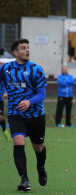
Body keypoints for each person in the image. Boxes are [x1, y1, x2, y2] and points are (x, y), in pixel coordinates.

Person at [0, 38, 48, 191]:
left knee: (38, 147)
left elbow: (42, 95)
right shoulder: (5, 69)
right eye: (23, 48)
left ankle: (40, 167)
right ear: (15, 52)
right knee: (18, 142)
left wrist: (29, 102)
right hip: (16, 113)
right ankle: (24, 180)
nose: (27, 50)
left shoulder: (36, 69)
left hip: (35, 115)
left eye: (28, 47)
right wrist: (4, 92)